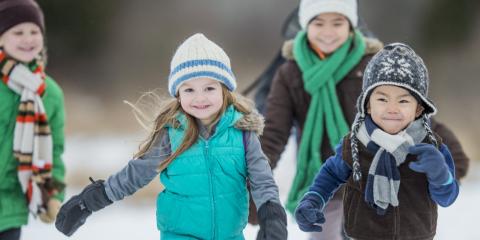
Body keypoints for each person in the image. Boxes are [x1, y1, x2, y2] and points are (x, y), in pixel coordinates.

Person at [256, 0, 470, 239]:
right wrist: (255, 191)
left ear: (351, 26)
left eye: (337, 22)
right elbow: (274, 133)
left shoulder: (373, 66)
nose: (328, 31)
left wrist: (446, 168)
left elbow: (420, 122)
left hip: (391, 196)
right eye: (319, 23)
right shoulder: (291, 73)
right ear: (306, 25)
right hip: (335, 173)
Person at [55, 33, 288, 240]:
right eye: (189, 89)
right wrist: (91, 200)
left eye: (209, 88)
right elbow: (135, 174)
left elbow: (262, 180)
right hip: (179, 233)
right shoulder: (172, 133)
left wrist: (272, 216)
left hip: (230, 235)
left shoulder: (243, 133)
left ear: (225, 90)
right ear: (178, 94)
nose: (200, 98)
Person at [294, 43, 459, 240]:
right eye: (382, 99)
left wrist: (441, 174)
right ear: (368, 105)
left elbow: (447, 198)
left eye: (403, 101)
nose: (392, 108)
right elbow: (331, 173)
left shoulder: (431, 148)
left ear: (418, 109)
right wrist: (313, 199)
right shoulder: (355, 144)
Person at [0, 0, 66, 239]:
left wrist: (53, 194)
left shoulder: (50, 93)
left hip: (10, 206)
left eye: (34, 31)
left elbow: (55, 149)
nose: (28, 39)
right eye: (18, 32)